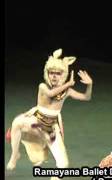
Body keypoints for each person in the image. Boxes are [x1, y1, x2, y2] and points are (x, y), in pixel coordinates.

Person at [6, 49, 93, 180]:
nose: (54, 76)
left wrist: (90, 84)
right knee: (17, 122)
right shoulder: (43, 86)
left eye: (58, 73)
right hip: (35, 123)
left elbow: (86, 97)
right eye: (51, 73)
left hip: (50, 130)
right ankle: (14, 155)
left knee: (63, 165)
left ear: (63, 74)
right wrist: (68, 84)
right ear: (47, 73)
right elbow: (51, 94)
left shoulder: (66, 91)